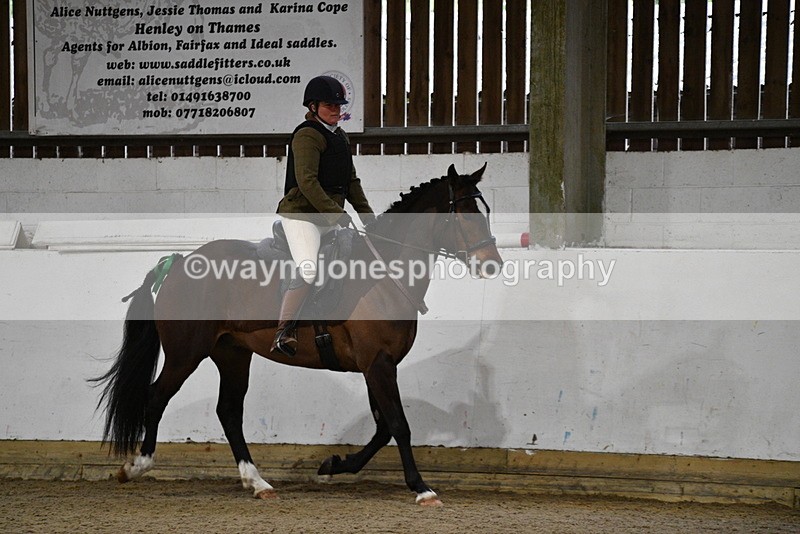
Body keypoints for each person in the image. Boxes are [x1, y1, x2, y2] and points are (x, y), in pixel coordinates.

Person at [271, 75, 376, 357]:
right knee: (308, 268)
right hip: (302, 217)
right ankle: (284, 330)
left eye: (339, 105)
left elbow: (351, 182)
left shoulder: (340, 136)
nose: (336, 110)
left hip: (328, 216)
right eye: (329, 105)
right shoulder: (307, 135)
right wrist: (336, 213)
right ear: (314, 106)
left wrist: (369, 217)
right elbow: (307, 182)